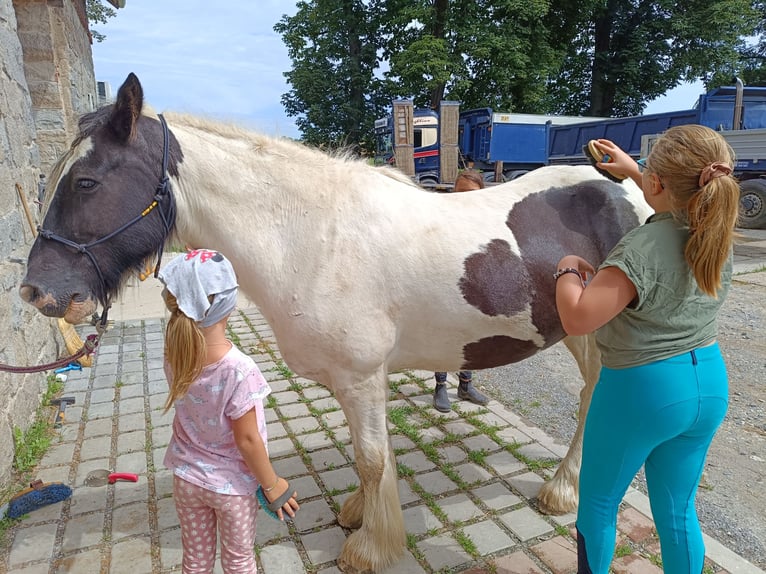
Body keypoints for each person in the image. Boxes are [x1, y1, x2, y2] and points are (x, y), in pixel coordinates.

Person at [555, 126, 738, 574]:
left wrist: (566, 270)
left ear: (659, 184)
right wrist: (639, 172)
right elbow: (684, 197)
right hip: (708, 383)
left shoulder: (640, 246)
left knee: (597, 504)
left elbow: (578, 318)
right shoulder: (716, 229)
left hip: (643, 390)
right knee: (678, 511)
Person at [159, 248, 299, 574]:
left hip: (186, 480)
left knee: (195, 561)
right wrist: (272, 484)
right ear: (228, 304)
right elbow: (248, 440)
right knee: (238, 563)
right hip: (231, 489)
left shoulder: (174, 353)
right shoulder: (239, 370)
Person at [433, 170, 490, 412]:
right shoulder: (443, 217)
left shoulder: (486, 220)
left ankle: (465, 385)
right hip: (446, 288)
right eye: (461, 192)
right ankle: (440, 387)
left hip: (473, 290)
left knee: (469, 338)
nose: (465, 198)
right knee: (443, 337)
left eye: (471, 193)